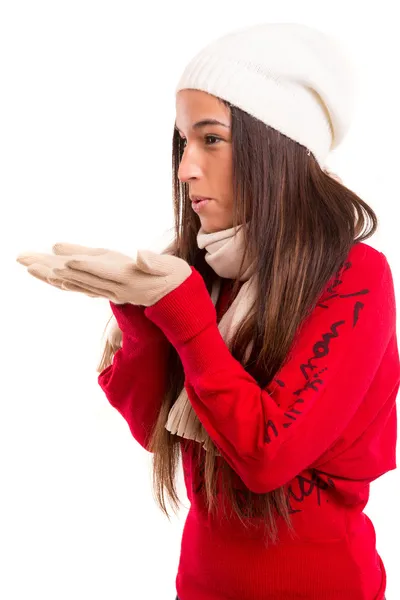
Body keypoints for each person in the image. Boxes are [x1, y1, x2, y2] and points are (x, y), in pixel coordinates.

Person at [16, 22, 397, 600]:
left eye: (210, 139)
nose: (185, 168)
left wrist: (187, 316)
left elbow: (267, 456)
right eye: (182, 142)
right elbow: (154, 428)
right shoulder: (203, 273)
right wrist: (142, 313)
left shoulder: (354, 278)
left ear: (276, 148)